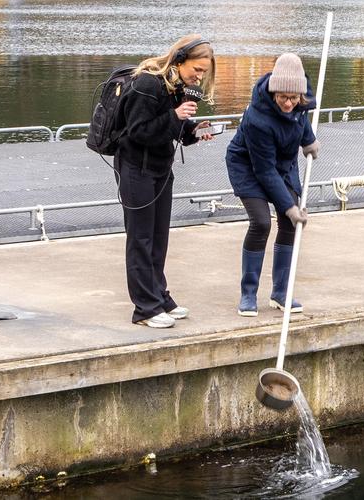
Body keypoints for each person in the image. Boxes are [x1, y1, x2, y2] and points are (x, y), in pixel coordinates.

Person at [115, 34, 217, 328]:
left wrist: (194, 131)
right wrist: (175, 115)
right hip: (136, 169)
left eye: (203, 72)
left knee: (159, 236)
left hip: (160, 168)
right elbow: (138, 132)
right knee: (141, 238)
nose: (199, 77)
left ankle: (159, 296)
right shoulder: (148, 83)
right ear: (180, 59)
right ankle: (144, 308)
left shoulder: (178, 87)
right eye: (196, 69)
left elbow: (173, 131)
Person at [225, 52, 320, 317]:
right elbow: (264, 171)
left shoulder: (300, 97)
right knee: (261, 223)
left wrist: (308, 140)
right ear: (274, 92)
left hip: (283, 163)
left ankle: (281, 292)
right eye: (282, 98)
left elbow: (301, 116)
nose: (288, 103)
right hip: (249, 166)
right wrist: (289, 206)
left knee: (290, 224)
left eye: (293, 98)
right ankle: (248, 293)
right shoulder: (258, 118)